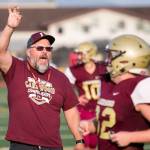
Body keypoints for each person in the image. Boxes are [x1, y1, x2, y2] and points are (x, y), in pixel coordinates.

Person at [0, 6, 85, 150]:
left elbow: (71, 110)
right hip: (22, 145)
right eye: (39, 48)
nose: (44, 52)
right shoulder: (16, 68)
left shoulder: (60, 78)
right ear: (28, 52)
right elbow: (1, 52)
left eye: (48, 49)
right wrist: (10, 27)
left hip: (52, 146)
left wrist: (79, 140)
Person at [79, 34, 150, 150]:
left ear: (127, 59)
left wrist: (132, 137)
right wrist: (90, 125)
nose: (108, 61)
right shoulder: (108, 82)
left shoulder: (139, 86)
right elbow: (111, 122)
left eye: (112, 56)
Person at [65, 42, 107, 150]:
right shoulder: (73, 70)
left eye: (81, 53)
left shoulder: (103, 67)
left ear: (90, 53)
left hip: (100, 109)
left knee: (93, 145)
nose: (78, 56)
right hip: (84, 111)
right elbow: (64, 88)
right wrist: (76, 98)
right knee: (83, 145)